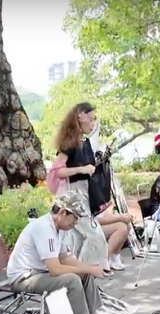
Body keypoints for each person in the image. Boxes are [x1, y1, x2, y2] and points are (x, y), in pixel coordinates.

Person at [6, 190, 119, 314]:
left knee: (83, 273)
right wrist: (86, 268)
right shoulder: (44, 228)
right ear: (62, 212)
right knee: (72, 280)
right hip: (24, 277)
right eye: (75, 218)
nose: (76, 222)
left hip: (39, 272)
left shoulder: (58, 228)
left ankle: (92, 313)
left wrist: (88, 268)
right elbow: (55, 268)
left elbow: (64, 258)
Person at [53, 102, 113, 273]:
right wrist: (81, 169)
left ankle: (82, 278)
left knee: (80, 239)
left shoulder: (85, 143)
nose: (93, 124)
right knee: (95, 237)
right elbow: (58, 171)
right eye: (91, 119)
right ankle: (85, 274)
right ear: (81, 117)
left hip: (84, 195)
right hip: (73, 198)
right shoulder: (69, 144)